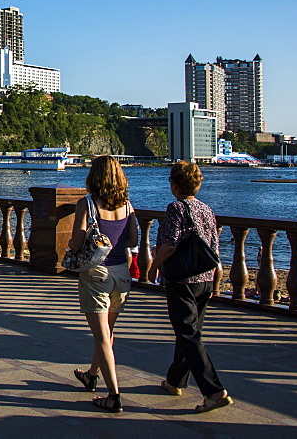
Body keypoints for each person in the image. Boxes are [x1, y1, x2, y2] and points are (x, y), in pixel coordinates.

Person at [148, 161, 233, 414]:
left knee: (188, 334)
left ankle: (214, 391)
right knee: (189, 330)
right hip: (204, 277)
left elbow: (171, 244)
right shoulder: (207, 209)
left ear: (174, 184)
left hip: (182, 280)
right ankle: (175, 380)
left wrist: (154, 266)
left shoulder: (176, 207)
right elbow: (214, 247)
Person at [68, 155, 137, 413]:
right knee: (107, 333)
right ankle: (91, 375)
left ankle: (114, 395)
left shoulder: (86, 204)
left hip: (97, 274)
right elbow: (131, 240)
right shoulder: (127, 206)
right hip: (122, 273)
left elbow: (76, 242)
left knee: (102, 337)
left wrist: (80, 242)